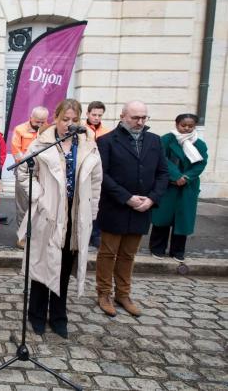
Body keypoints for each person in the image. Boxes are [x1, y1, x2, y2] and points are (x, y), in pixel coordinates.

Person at [16, 99, 102, 338]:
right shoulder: (42, 143)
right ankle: (36, 314)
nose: (70, 124)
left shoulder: (88, 145)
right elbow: (23, 171)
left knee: (64, 267)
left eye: (75, 120)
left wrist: (91, 213)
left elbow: (96, 183)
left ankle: (58, 316)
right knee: (42, 264)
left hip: (75, 216)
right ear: (56, 117)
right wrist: (40, 196)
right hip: (48, 214)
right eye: (65, 119)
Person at [96, 100, 168, 317]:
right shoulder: (107, 141)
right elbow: (102, 175)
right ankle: (104, 293)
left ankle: (123, 293)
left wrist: (152, 199)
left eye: (143, 117)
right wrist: (126, 197)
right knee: (108, 253)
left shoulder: (155, 141)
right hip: (115, 205)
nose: (140, 122)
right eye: (135, 117)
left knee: (128, 254)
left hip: (142, 208)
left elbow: (163, 173)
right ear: (122, 116)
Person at [150, 113, 208, 262]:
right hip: (168, 184)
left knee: (183, 220)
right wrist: (176, 176)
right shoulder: (166, 140)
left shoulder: (200, 144)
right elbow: (161, 159)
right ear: (176, 124)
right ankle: (157, 248)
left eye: (190, 126)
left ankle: (178, 251)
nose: (187, 128)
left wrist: (186, 177)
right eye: (183, 125)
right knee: (162, 217)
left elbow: (200, 164)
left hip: (188, 186)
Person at [11, 106, 49, 249]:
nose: (40, 124)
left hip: (42, 172)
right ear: (31, 117)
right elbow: (16, 151)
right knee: (22, 206)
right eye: (37, 121)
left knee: (39, 205)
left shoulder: (48, 131)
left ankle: (36, 236)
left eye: (43, 122)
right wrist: (28, 161)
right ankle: (21, 236)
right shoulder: (20, 130)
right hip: (24, 171)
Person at [85, 101, 111, 248]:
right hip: (84, 171)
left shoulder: (106, 132)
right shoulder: (81, 129)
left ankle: (95, 234)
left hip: (99, 171)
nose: (96, 117)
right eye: (94, 114)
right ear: (87, 114)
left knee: (97, 204)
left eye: (99, 115)